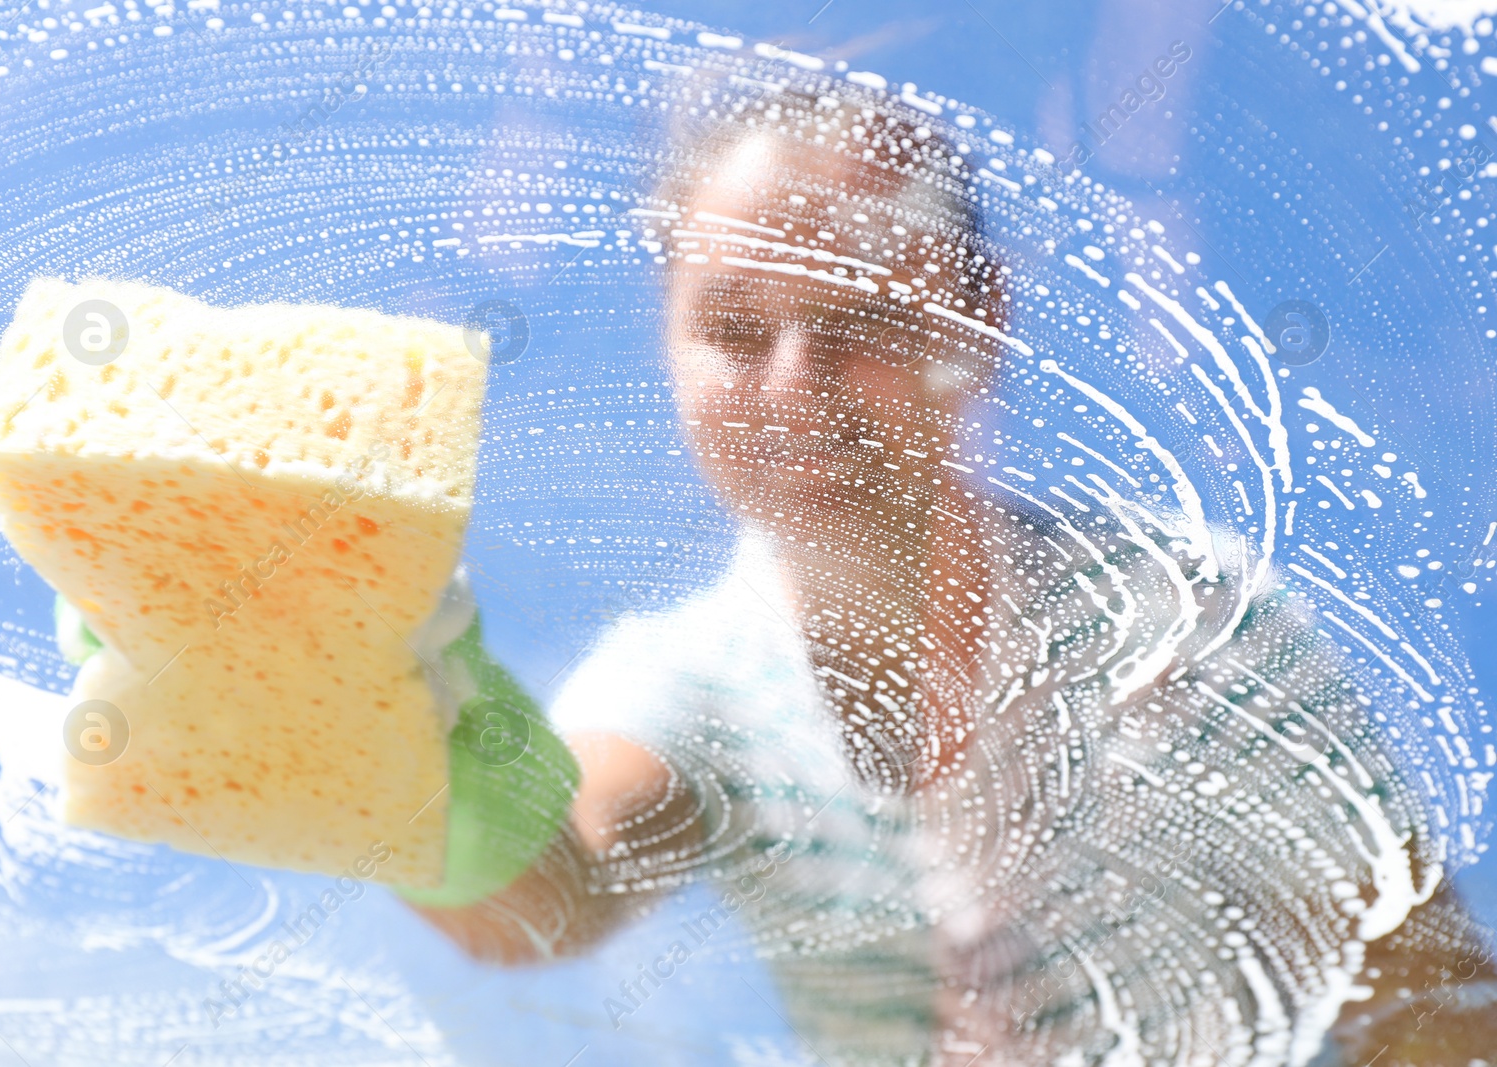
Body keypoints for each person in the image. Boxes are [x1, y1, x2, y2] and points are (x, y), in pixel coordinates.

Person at [406, 90, 1497, 1066]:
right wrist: (394, 696)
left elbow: (1439, 1006)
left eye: (859, 320)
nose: (793, 385)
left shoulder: (1185, 619)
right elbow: (549, 890)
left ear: (978, 320)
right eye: (734, 329)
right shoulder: (698, 682)